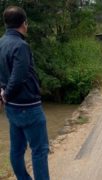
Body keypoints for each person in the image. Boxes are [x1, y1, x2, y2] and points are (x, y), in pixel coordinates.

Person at [0, 6, 50, 179]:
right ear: (24, 23)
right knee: (40, 151)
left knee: (17, 149)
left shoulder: (1, 42)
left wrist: (3, 93)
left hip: (12, 108)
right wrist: (5, 94)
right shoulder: (21, 46)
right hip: (28, 107)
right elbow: (18, 77)